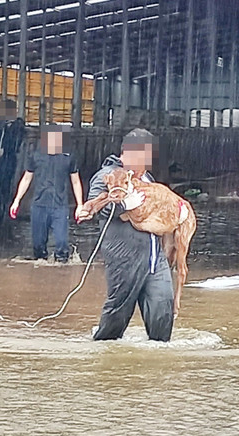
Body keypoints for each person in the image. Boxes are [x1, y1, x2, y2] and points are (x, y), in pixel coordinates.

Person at [77, 128, 175, 342]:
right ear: (128, 152)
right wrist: (124, 205)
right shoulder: (106, 176)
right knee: (118, 314)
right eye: (144, 155)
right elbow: (99, 210)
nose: (147, 162)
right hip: (124, 257)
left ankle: (159, 357)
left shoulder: (145, 177)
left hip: (153, 258)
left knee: (163, 306)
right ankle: (102, 350)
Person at [9, 125, 83, 262]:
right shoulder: (36, 155)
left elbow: (76, 182)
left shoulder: (68, 156)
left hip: (60, 207)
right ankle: (41, 273)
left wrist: (80, 205)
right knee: (38, 247)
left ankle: (61, 274)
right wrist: (16, 201)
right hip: (39, 205)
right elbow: (26, 178)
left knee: (61, 244)